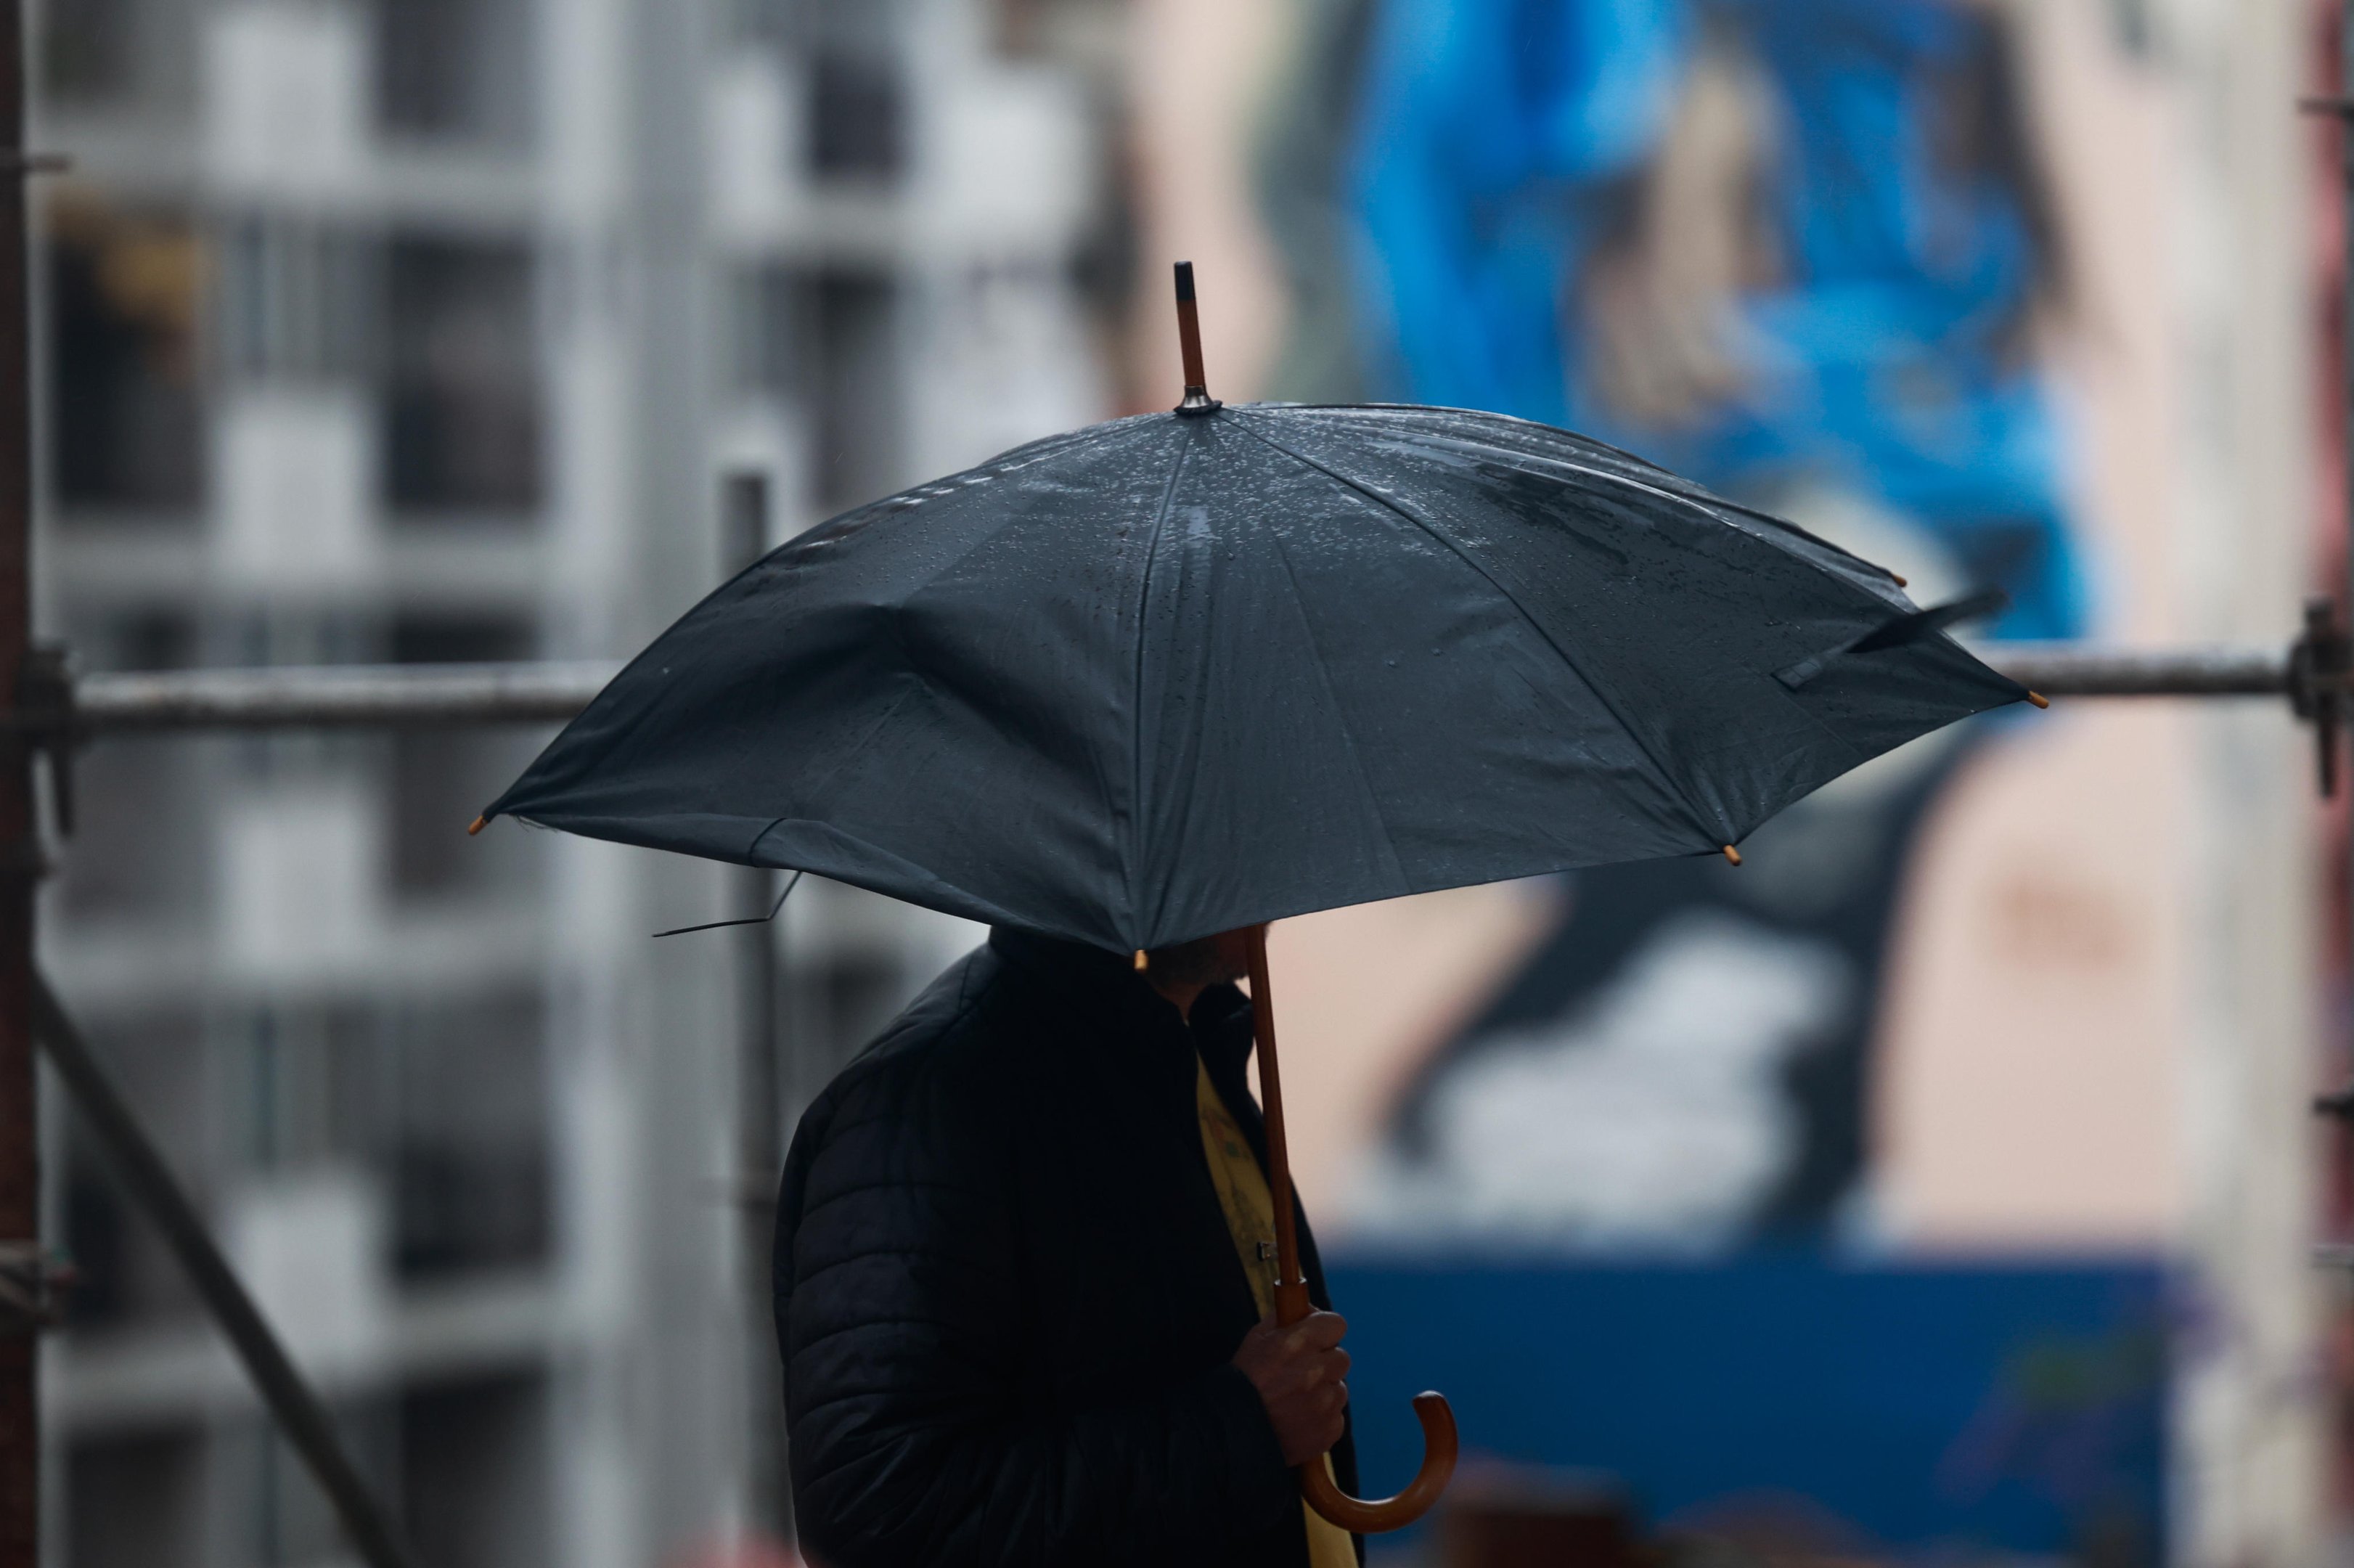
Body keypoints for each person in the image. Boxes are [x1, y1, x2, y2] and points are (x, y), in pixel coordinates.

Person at [773, 924, 1363, 1568]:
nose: (1261, 868)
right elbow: (876, 1513)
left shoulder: (1190, 1059)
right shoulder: (928, 1096)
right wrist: (1239, 1429)